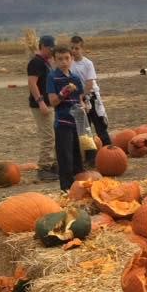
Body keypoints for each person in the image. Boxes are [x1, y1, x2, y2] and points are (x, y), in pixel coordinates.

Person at [47, 45, 85, 191]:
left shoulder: (75, 78)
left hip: (77, 122)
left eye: (67, 58)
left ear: (72, 59)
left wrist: (84, 106)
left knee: (77, 159)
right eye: (60, 59)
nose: (64, 62)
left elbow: (80, 98)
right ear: (54, 61)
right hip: (63, 123)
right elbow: (53, 101)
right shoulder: (52, 77)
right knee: (65, 159)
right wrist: (65, 92)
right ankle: (66, 191)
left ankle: (79, 189)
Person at [70, 35, 111, 148]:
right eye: (72, 48)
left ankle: (109, 149)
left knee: (100, 127)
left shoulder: (88, 64)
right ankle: (90, 155)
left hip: (90, 98)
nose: (74, 51)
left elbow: (89, 84)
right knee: (84, 130)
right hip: (77, 100)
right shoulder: (69, 64)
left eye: (77, 48)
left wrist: (82, 96)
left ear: (82, 49)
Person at [27, 34, 58, 182]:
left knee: (53, 135)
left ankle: (52, 164)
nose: (53, 51)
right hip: (40, 105)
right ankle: (44, 168)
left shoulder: (45, 61)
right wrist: (40, 102)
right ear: (44, 47)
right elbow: (32, 83)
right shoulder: (36, 62)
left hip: (48, 103)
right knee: (48, 136)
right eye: (51, 48)